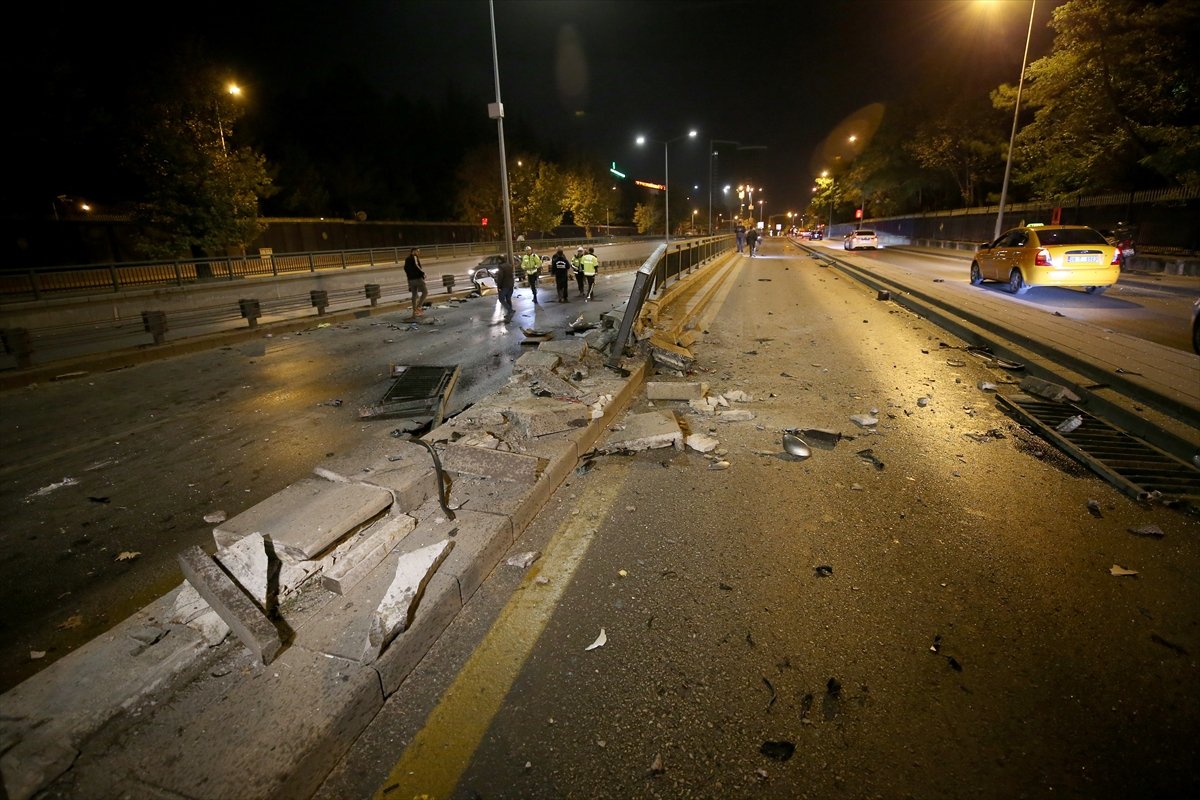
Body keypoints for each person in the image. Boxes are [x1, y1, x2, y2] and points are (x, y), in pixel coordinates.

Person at [403, 247, 427, 317]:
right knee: (425, 292)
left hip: (411, 280)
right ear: (413, 251)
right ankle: (418, 308)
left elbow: (405, 269)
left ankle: (414, 312)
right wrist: (423, 273)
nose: (418, 253)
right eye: (417, 251)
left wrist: (409, 280)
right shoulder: (414, 257)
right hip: (417, 278)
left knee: (414, 295)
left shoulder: (407, 259)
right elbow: (417, 266)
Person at [495, 253, 515, 322]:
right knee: (508, 298)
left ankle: (510, 310)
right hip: (511, 285)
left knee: (501, 299)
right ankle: (509, 315)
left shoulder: (501, 267)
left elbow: (500, 277)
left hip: (504, 286)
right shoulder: (509, 265)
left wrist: (499, 286)